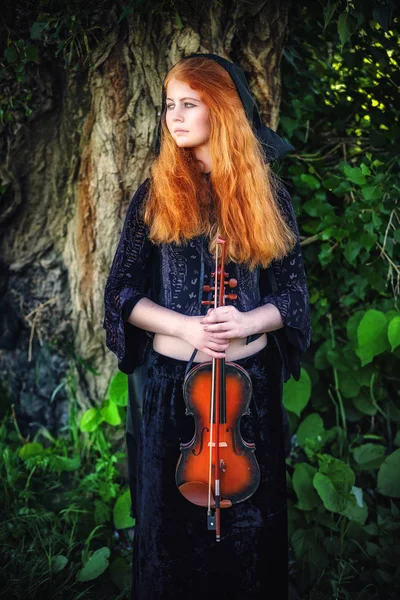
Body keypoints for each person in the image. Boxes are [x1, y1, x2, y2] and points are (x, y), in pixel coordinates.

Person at [103, 53, 311, 600]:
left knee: (250, 545)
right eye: (169, 105)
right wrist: (188, 328)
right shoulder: (154, 194)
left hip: (249, 399)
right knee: (171, 547)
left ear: (219, 109)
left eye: (189, 104)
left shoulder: (269, 197)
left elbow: (291, 297)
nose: (174, 115)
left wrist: (248, 319)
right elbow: (121, 295)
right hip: (175, 396)